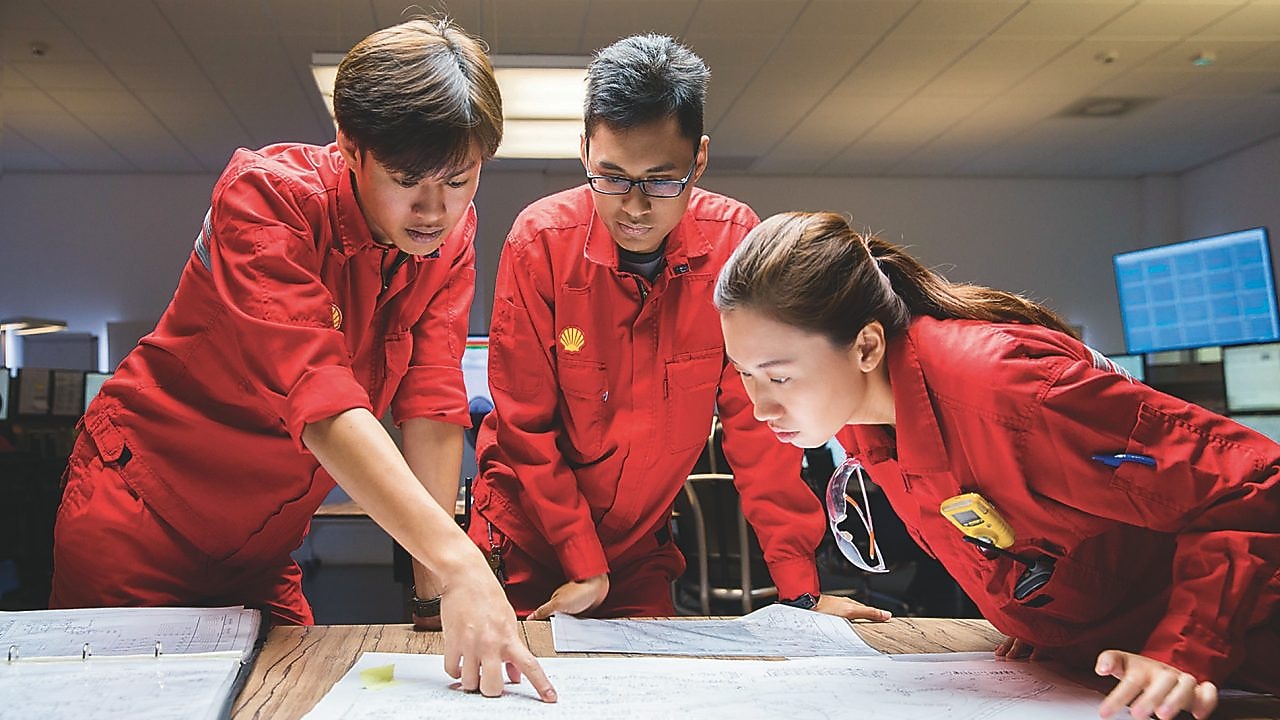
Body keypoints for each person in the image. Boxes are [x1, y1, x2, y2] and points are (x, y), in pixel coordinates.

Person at [48, 18, 555, 702]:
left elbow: (432, 399)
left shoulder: (446, 235)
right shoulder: (266, 200)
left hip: (259, 551)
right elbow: (320, 400)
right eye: (410, 180)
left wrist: (434, 595)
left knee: (296, 699)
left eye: (460, 181)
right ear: (351, 146)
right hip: (141, 522)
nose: (436, 210)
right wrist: (463, 563)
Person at [715, 210, 1279, 720]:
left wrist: (1185, 651)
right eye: (743, 373)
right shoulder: (868, 419)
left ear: (865, 347)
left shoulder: (1009, 391)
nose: (760, 406)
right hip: (1097, 668)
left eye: (779, 376)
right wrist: (1048, 621)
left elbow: (1251, 487)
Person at [467, 34, 890, 624]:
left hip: (639, 549)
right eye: (611, 177)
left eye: (661, 181)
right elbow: (525, 427)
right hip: (525, 540)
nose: (634, 208)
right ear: (585, 151)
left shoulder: (733, 245)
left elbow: (759, 427)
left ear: (700, 159)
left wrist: (800, 589)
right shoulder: (540, 244)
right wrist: (582, 562)